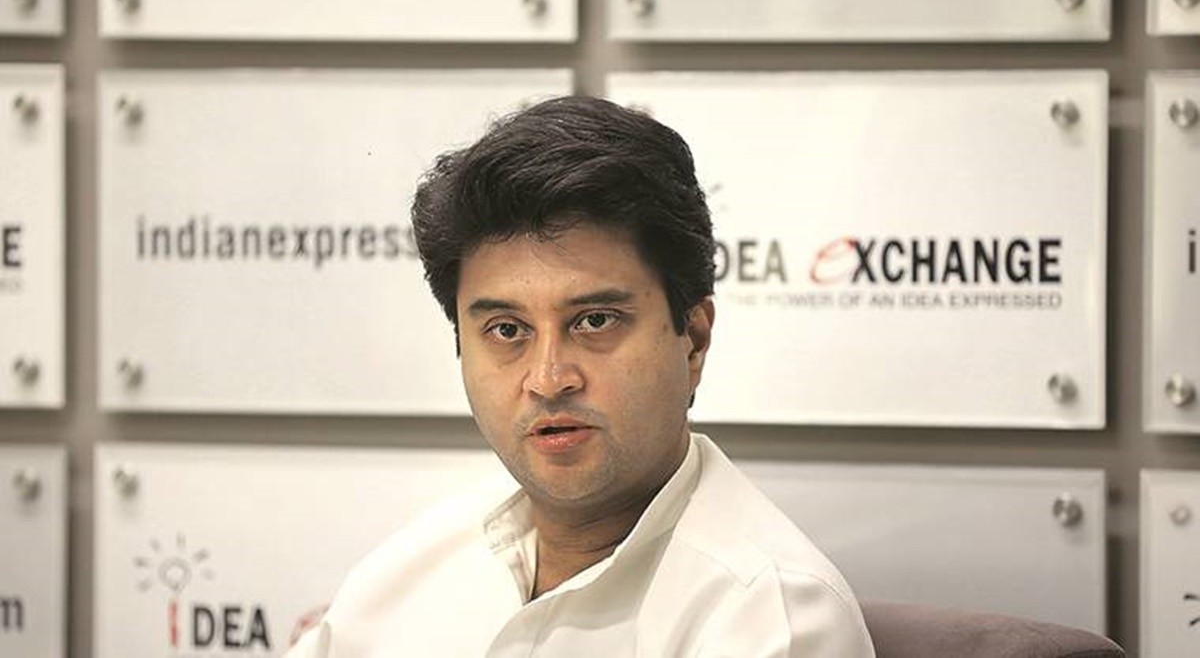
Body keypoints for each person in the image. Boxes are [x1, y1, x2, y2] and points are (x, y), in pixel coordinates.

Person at [287, 96, 875, 657]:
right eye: (507, 330)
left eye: (594, 321)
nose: (548, 379)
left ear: (693, 339)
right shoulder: (407, 572)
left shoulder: (771, 617)